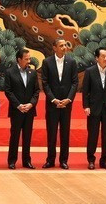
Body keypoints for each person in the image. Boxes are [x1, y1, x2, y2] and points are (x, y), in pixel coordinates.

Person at [40, 38, 79, 169]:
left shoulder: (72, 62)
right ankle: (50, 160)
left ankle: (64, 160)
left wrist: (69, 99)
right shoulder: (47, 62)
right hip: (52, 104)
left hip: (67, 103)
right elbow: (45, 83)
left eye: (65, 45)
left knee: (65, 133)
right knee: (51, 133)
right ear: (54, 48)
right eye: (61, 45)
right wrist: (53, 99)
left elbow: (75, 82)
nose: (64, 47)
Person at [82, 47, 106, 170]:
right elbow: (85, 90)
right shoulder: (90, 71)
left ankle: (104, 160)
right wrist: (86, 106)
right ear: (97, 58)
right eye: (103, 56)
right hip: (94, 107)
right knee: (93, 135)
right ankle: (91, 160)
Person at [4, 48, 40, 170]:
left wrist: (31, 104)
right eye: (26, 59)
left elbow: (36, 91)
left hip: (29, 110)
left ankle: (26, 161)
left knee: (27, 136)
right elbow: (8, 91)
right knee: (14, 136)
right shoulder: (10, 72)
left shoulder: (32, 73)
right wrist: (18, 105)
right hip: (16, 110)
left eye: (29, 59)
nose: (29, 61)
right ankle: (12, 161)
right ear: (19, 59)